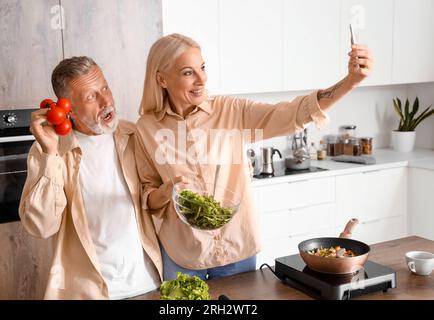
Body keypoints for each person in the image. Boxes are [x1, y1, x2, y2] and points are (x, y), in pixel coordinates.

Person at [134, 33, 373, 281]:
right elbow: (147, 195)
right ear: (162, 79)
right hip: (183, 254)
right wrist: (169, 190)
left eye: (202, 68)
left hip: (236, 249)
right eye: (187, 72)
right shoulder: (146, 128)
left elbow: (290, 114)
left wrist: (350, 82)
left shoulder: (231, 111)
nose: (201, 79)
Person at [19, 56, 162, 299]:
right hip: (91, 293)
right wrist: (50, 154)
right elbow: (40, 226)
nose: (106, 101)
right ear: (68, 109)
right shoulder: (50, 151)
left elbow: (157, 201)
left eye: (104, 87)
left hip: (148, 284)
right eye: (91, 96)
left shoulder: (134, 135)